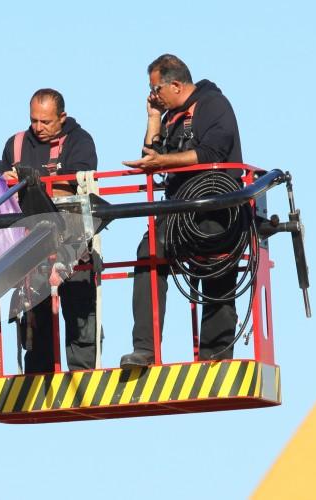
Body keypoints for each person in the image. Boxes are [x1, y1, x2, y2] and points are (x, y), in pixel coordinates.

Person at [120, 54, 243, 368]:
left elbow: (212, 153)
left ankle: (215, 357)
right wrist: (152, 118)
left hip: (215, 210)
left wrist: (162, 162)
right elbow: (152, 157)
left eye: (156, 89)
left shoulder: (214, 105)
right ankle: (145, 351)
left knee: (215, 261)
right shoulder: (170, 117)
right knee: (149, 250)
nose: (153, 95)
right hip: (177, 214)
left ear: (175, 85)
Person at [0, 88, 99, 373]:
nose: (38, 128)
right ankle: (38, 376)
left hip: (73, 243)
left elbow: (79, 183)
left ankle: (84, 374)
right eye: (34, 120)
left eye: (46, 122)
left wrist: (39, 184)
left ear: (61, 117)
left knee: (79, 314)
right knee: (35, 321)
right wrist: (6, 180)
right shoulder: (15, 144)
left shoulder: (79, 142)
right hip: (30, 248)